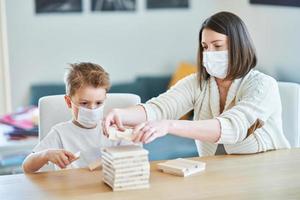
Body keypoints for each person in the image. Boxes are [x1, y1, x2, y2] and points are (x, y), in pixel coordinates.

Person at [103, 12, 290, 156]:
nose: (209, 53)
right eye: (205, 47)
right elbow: (159, 108)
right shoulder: (199, 83)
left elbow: (233, 127)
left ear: (239, 46)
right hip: (218, 173)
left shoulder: (264, 86)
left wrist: (168, 126)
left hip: (266, 171)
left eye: (217, 46)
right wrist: (121, 114)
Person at [23, 62, 130, 173]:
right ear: (69, 102)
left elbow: (133, 158)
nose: (92, 109)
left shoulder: (113, 129)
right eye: (84, 103)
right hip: (72, 189)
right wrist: (46, 155)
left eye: (98, 103)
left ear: (105, 100)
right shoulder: (60, 133)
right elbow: (27, 167)